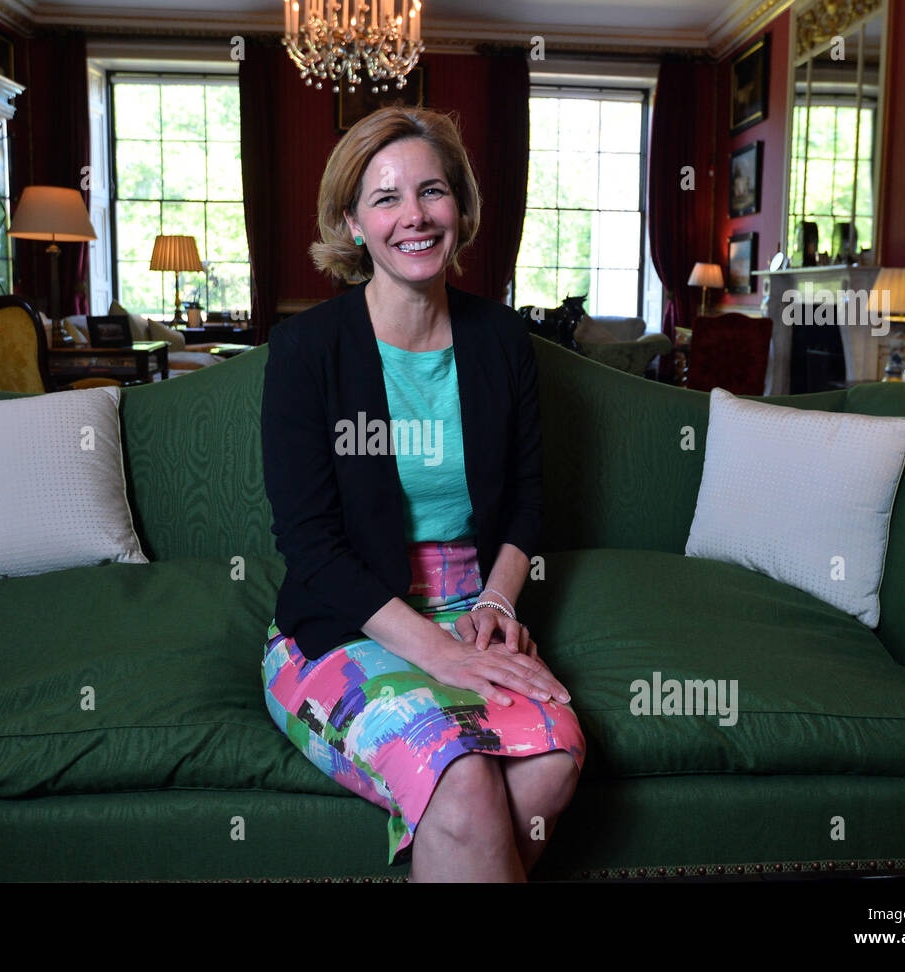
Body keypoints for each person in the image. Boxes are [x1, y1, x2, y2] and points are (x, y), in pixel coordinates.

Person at [259, 105, 584, 883]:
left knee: (552, 764)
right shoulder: (309, 350)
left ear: (461, 207)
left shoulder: (501, 340)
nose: (415, 216)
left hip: (473, 610)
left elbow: (527, 498)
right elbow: (311, 548)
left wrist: (498, 607)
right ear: (352, 221)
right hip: (343, 624)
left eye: (432, 192)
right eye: (386, 197)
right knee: (463, 781)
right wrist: (439, 656)